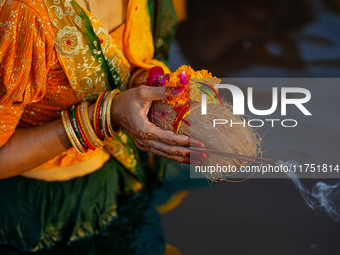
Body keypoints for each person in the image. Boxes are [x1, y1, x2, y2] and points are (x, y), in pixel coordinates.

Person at [0, 0, 206, 254]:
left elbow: (143, 55)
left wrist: (157, 85)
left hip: (114, 181)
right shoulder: (25, 14)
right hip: (35, 210)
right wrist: (106, 116)